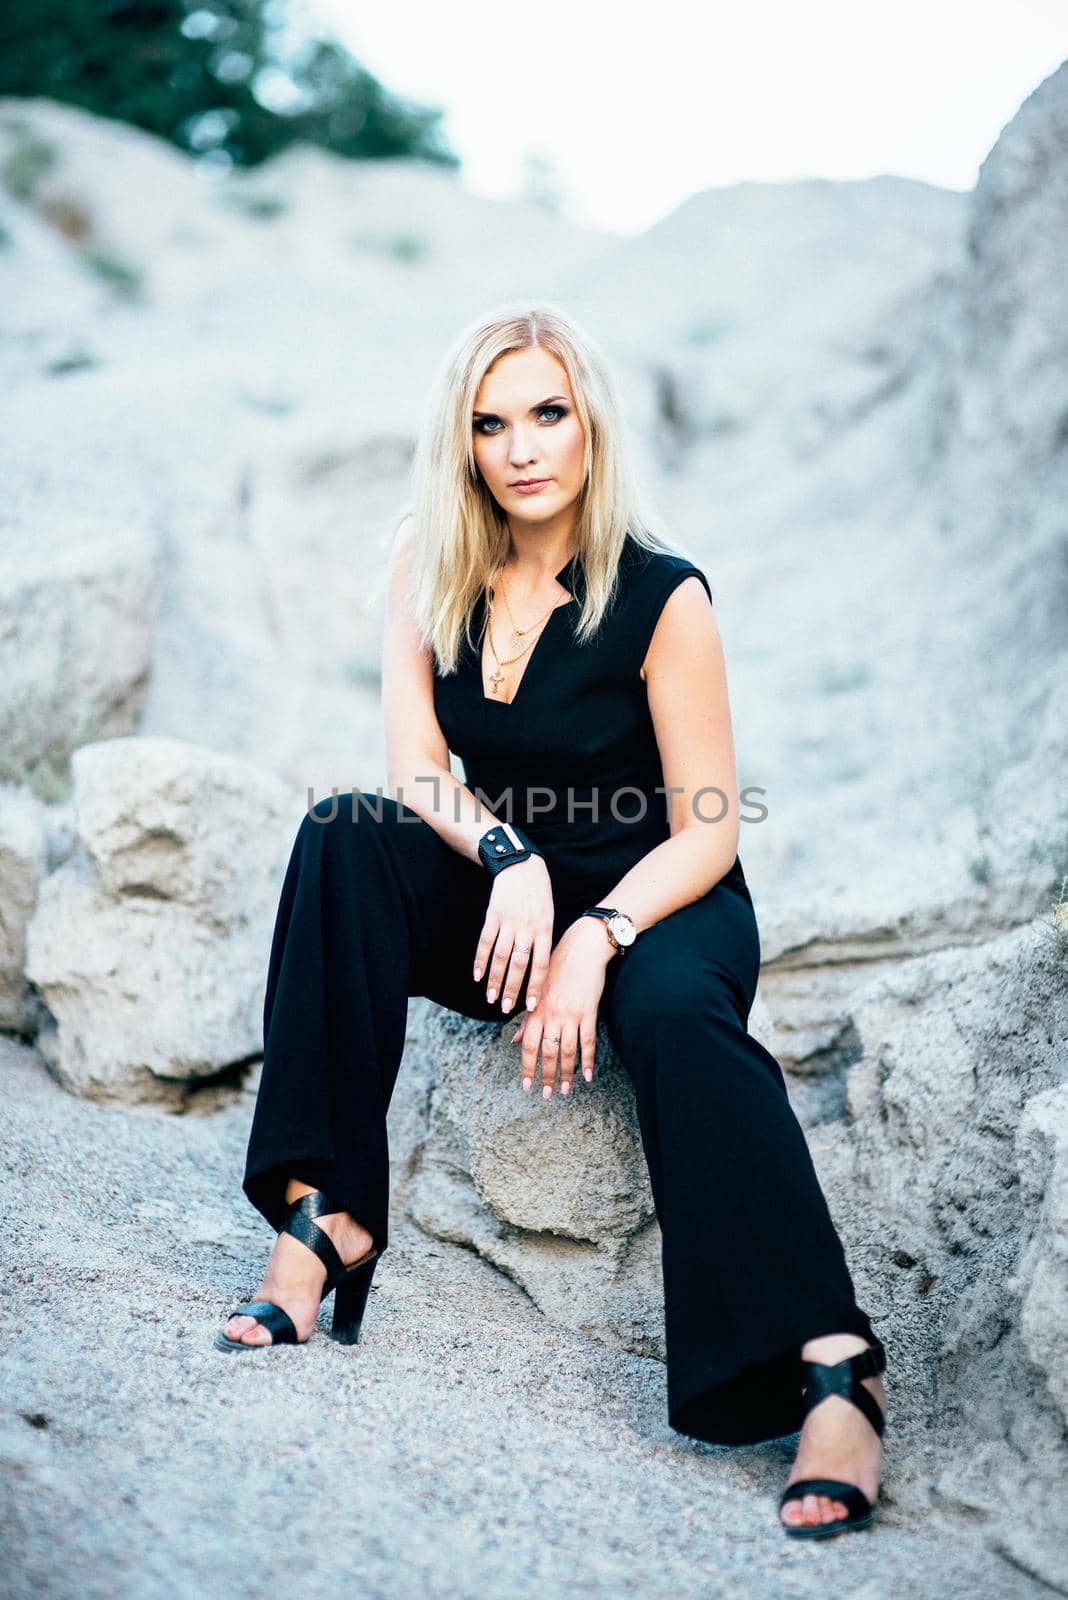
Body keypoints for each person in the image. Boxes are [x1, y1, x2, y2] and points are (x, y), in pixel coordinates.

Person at [215, 303, 888, 1540]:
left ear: (589, 425)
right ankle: (332, 1215)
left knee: (679, 1015)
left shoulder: (663, 595)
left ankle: (833, 1362)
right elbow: (419, 763)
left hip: (659, 893)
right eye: (491, 422)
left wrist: (595, 935)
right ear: (462, 442)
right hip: (506, 888)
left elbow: (711, 827)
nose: (522, 447)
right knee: (342, 839)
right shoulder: (436, 563)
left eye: (547, 413)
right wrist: (511, 856)